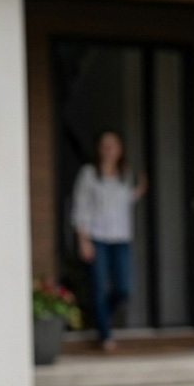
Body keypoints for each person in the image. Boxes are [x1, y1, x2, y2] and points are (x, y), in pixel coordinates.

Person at [70, 129, 147, 351]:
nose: (109, 150)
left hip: (121, 238)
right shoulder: (89, 174)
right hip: (96, 238)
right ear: (99, 149)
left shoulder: (125, 174)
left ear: (120, 149)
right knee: (98, 288)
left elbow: (123, 201)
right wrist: (83, 239)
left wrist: (139, 190)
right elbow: (80, 206)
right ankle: (105, 335)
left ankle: (99, 316)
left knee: (124, 288)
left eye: (113, 145)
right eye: (105, 145)